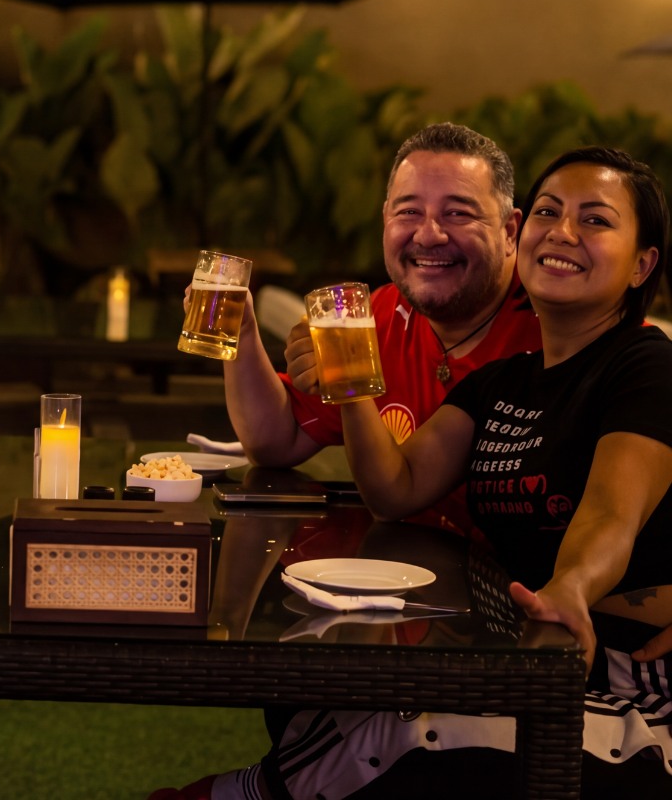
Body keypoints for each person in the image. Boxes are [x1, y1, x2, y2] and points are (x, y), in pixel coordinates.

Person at [163, 146, 672, 800]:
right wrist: (350, 381)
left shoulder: (646, 365)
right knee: (335, 696)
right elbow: (394, 489)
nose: (563, 232)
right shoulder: (501, 382)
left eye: (595, 220)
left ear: (642, 264)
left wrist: (570, 587)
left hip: (617, 667)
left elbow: (609, 512)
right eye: (550, 211)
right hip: (515, 641)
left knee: (421, 732)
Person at [221, 122, 542, 534]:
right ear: (385, 219)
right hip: (403, 561)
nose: (429, 234)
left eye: (458, 213)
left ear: (510, 231)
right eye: (409, 212)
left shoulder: (555, 327)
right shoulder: (374, 317)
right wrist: (242, 333)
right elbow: (276, 443)